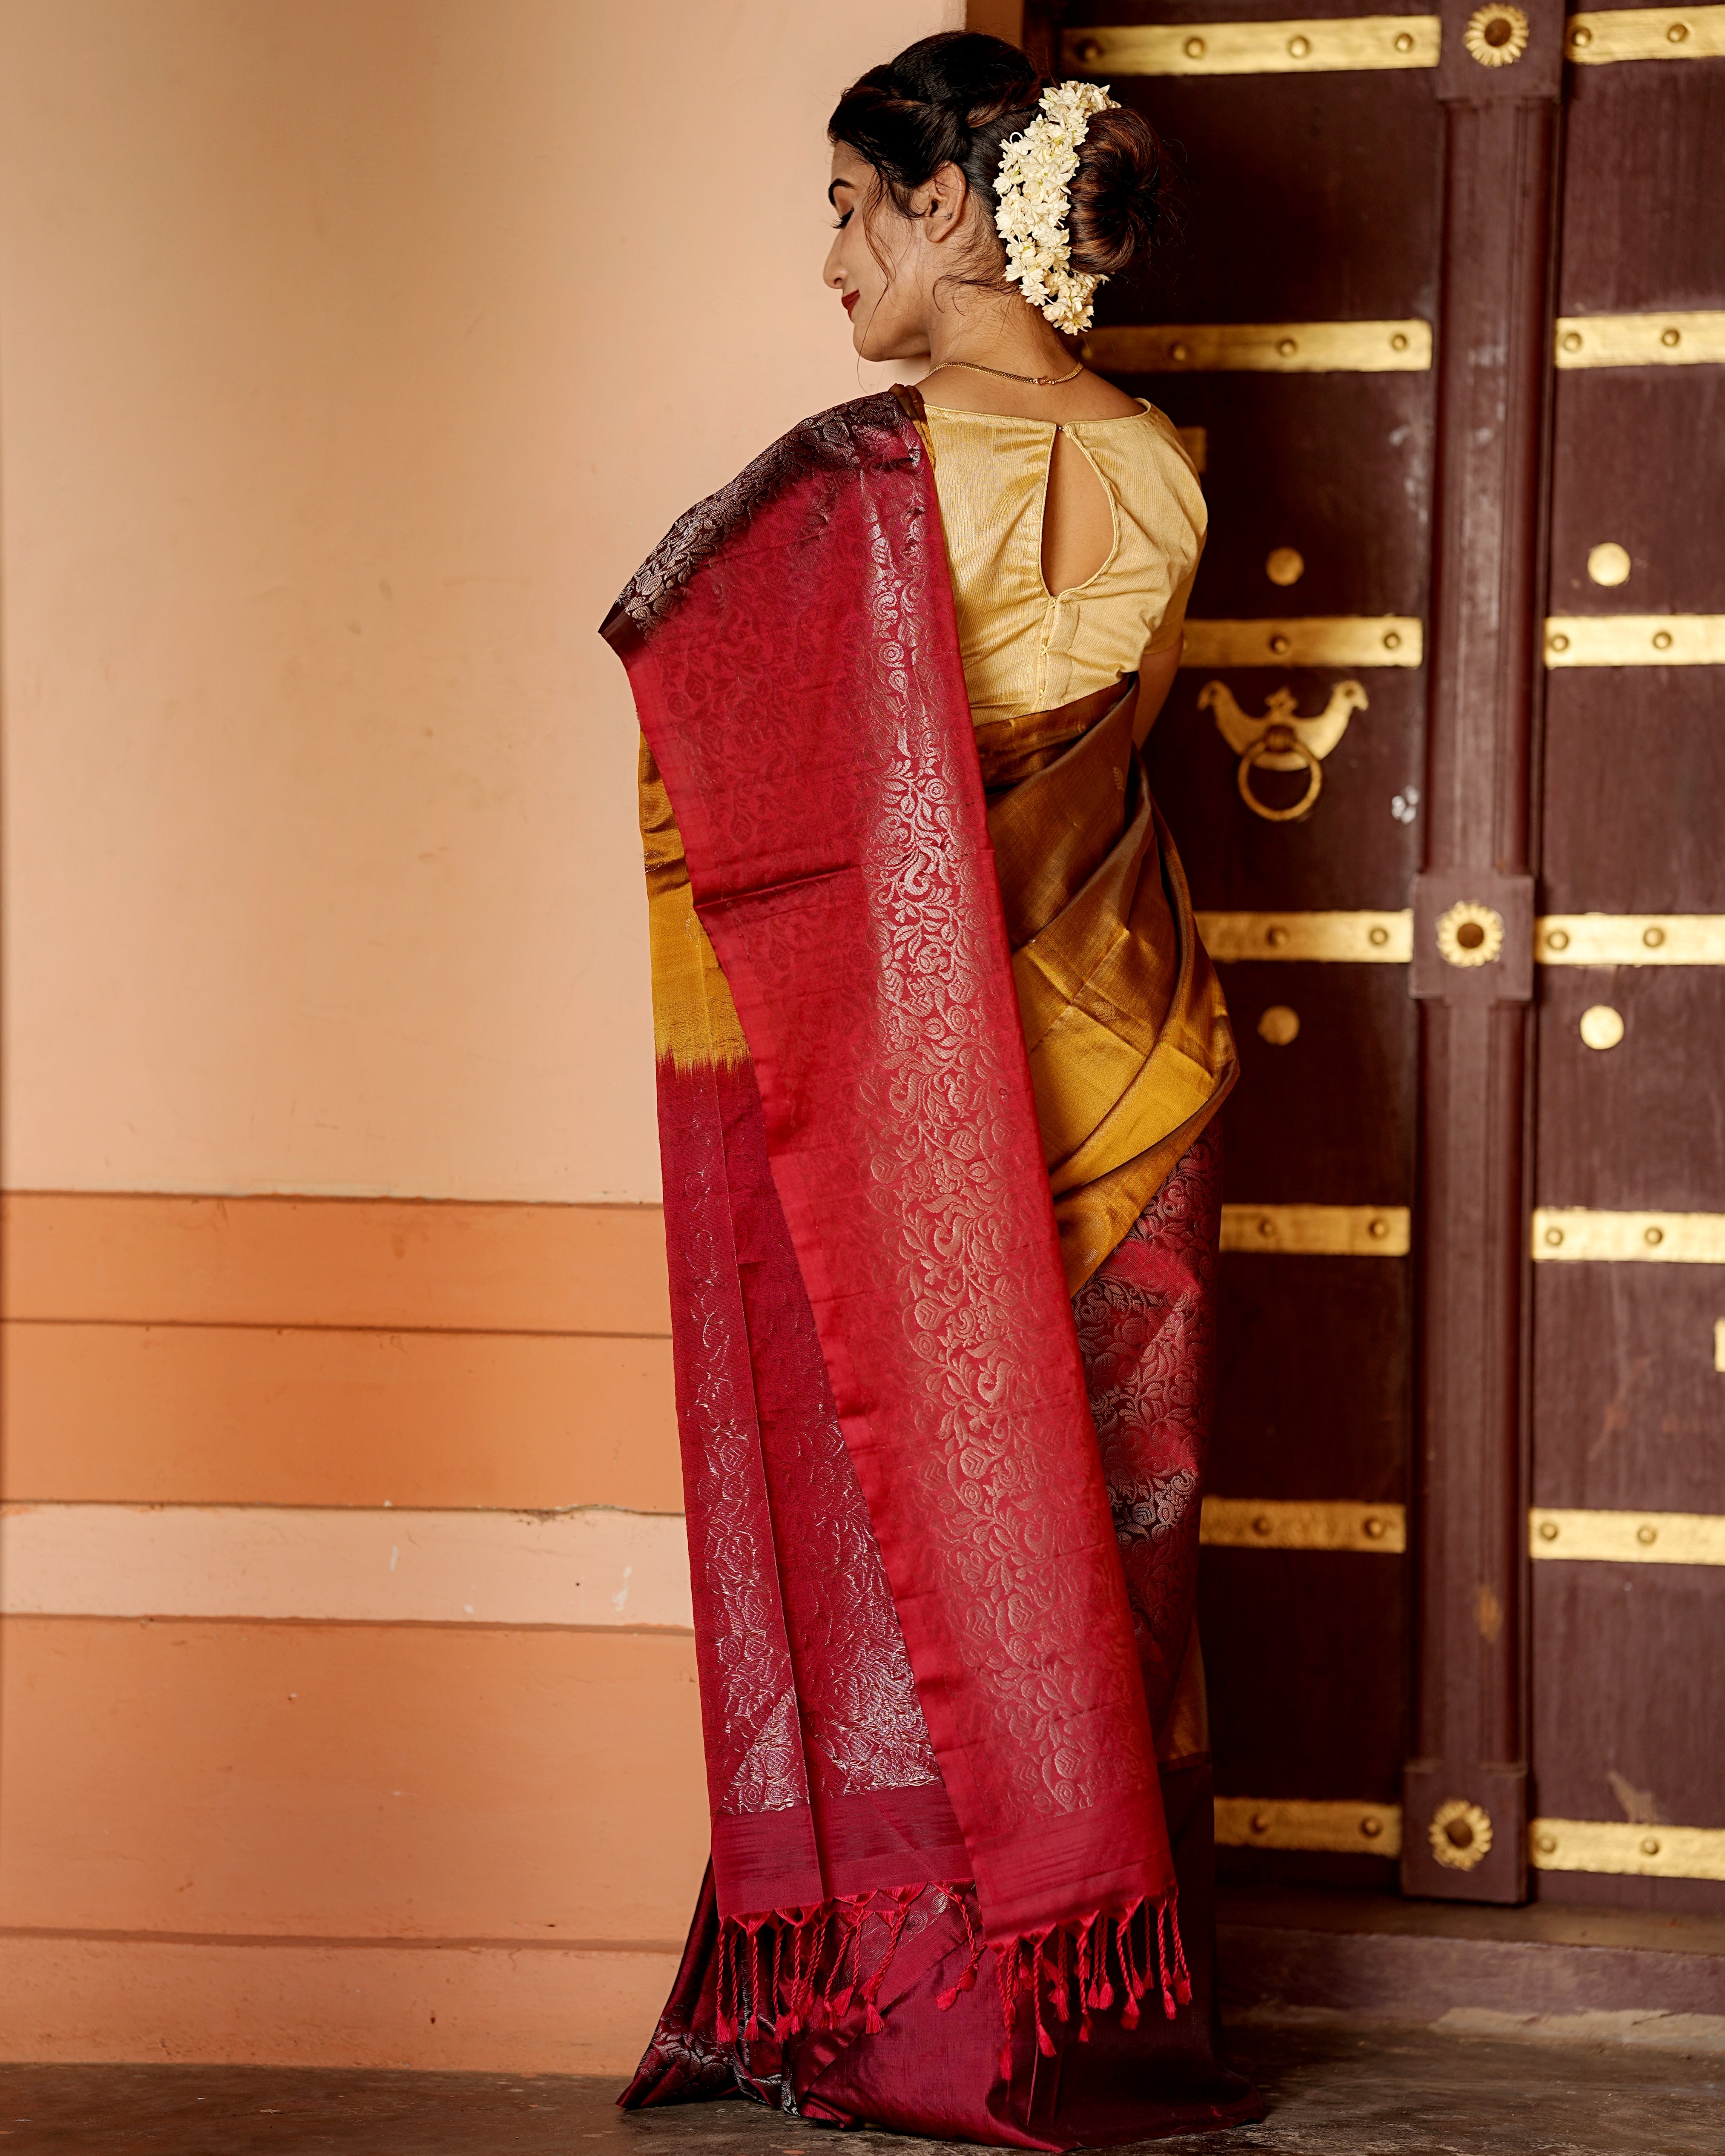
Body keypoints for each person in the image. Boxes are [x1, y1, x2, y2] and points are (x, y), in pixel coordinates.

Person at [603, 30, 1260, 2148]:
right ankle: (1091, 2004)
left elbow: (749, 805)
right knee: (1106, 1559)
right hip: (1134, 1056)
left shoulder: (849, 494)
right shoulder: (1158, 460)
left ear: (951, 211)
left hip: (921, 1104)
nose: (827, 259)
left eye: (843, 206)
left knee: (916, 1525)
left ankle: (921, 2004)